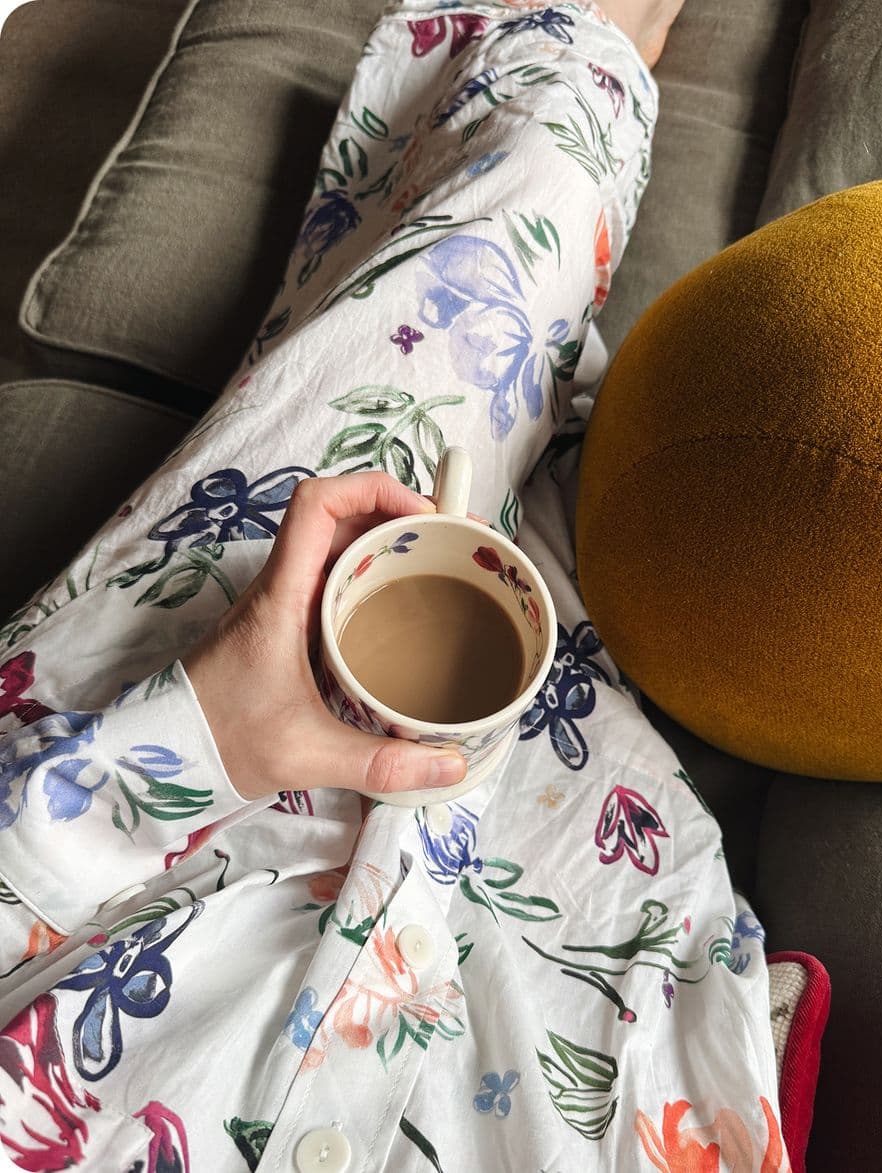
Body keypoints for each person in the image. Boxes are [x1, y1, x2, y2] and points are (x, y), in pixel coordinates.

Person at [0, 2, 787, 1169]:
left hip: (107, 839)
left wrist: (200, 739)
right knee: (538, 401)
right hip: (526, 924)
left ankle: (575, 63)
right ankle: (574, 67)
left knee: (452, 347)